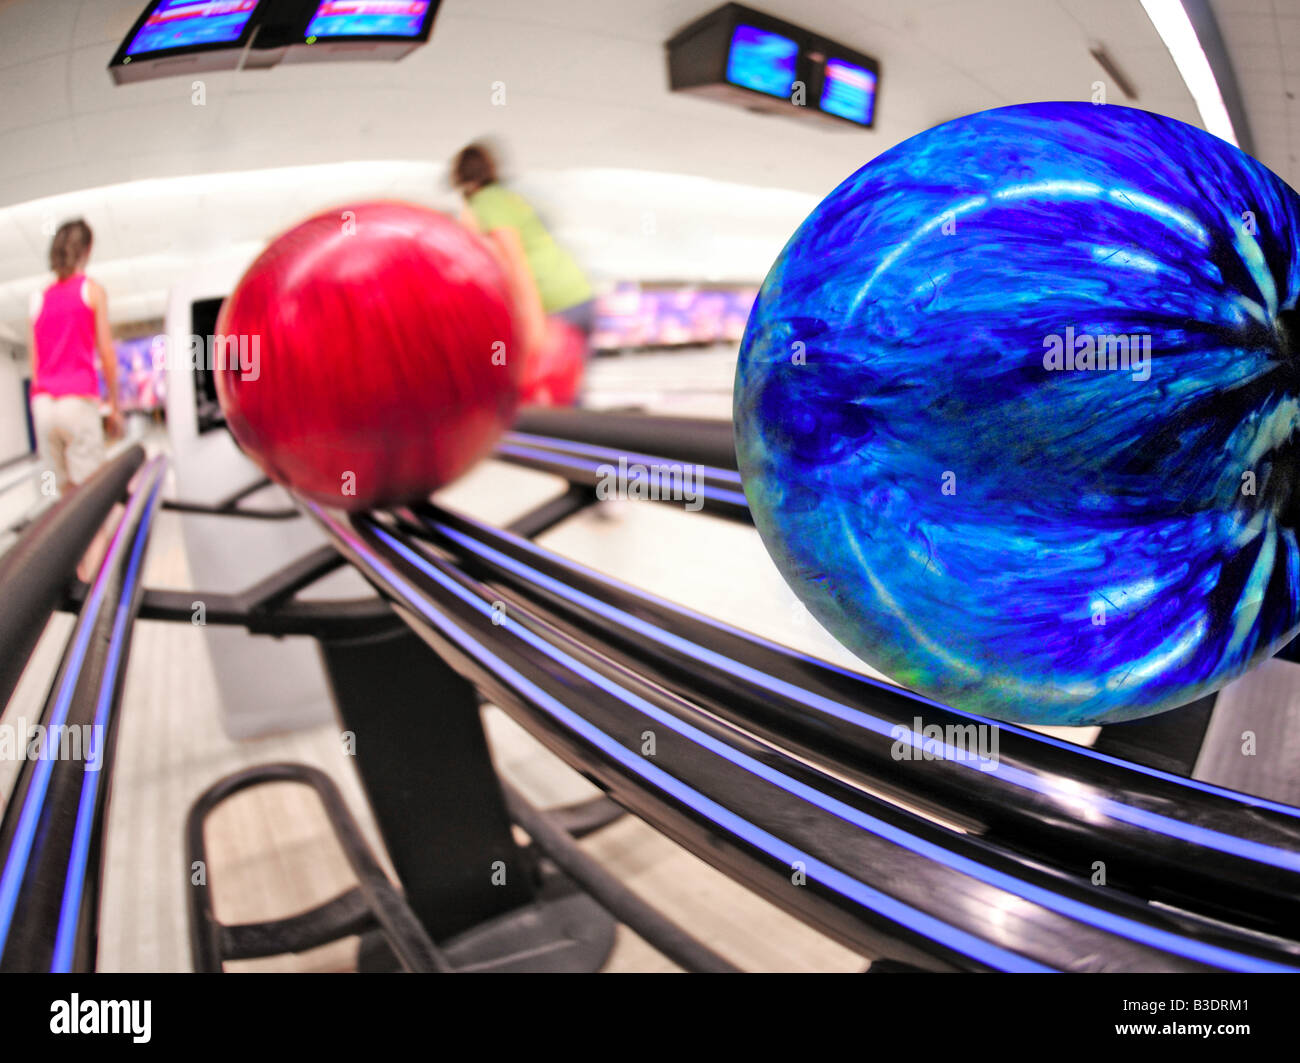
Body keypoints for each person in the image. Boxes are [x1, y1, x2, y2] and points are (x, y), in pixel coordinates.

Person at [451, 142, 595, 373]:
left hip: (555, 306)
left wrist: (535, 329)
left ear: (460, 179)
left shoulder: (484, 204)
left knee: (546, 393)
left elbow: (517, 264)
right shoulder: (507, 198)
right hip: (579, 295)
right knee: (566, 392)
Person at [29, 219, 123, 496]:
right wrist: (115, 406)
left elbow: (35, 366)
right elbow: (106, 353)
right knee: (91, 499)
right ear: (87, 249)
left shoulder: (38, 298)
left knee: (66, 501)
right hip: (77, 403)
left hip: (43, 406)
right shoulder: (91, 290)